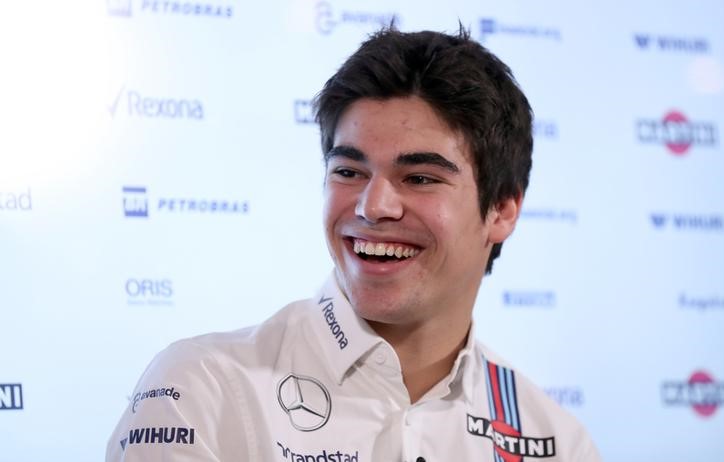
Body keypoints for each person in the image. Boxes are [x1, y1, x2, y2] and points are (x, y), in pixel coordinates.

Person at [106, 27, 602, 461]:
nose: (373, 205)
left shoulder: (554, 441)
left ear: (503, 210)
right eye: (349, 171)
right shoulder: (201, 389)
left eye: (421, 177)